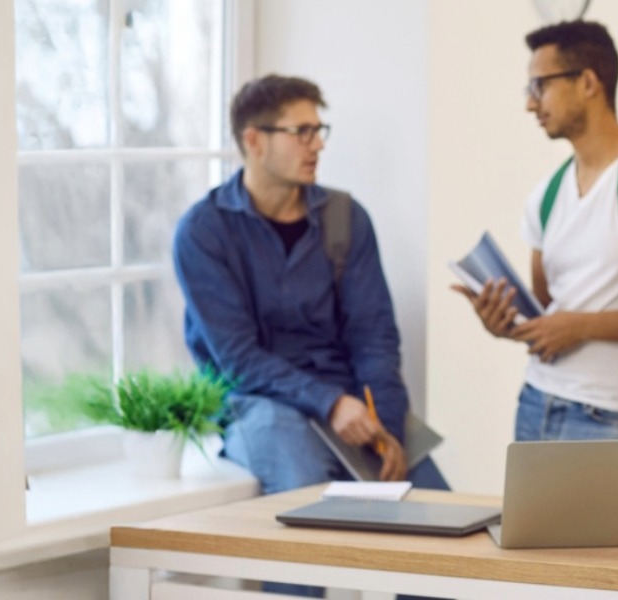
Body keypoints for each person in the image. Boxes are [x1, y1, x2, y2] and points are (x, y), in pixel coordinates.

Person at [172, 74, 447, 598]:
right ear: (254, 140)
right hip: (258, 402)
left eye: (320, 130)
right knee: (302, 498)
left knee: (443, 528)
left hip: (349, 397)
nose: (317, 143)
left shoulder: (345, 218)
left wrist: (384, 425)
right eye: (302, 131)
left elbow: (375, 337)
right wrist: (329, 402)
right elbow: (237, 360)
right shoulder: (203, 232)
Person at [454, 20, 618, 442]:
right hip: (537, 402)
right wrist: (504, 323)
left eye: (539, 86)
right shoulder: (546, 194)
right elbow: (546, 305)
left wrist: (578, 326)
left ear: (589, 83)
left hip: (613, 414)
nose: (530, 104)